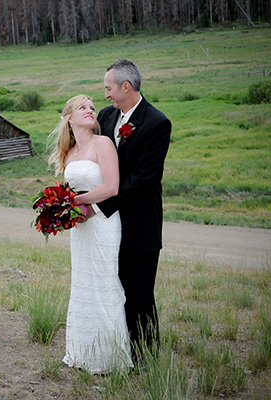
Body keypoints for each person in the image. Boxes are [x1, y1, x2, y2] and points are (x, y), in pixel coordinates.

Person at [85, 59, 172, 357]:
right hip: (109, 227)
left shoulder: (157, 123)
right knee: (115, 289)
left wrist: (96, 206)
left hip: (140, 223)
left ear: (125, 86)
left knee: (140, 293)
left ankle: (146, 357)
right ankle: (119, 352)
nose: (106, 95)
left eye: (108, 88)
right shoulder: (107, 116)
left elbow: (142, 179)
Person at [48, 94, 133, 374]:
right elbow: (68, 191)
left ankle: (112, 358)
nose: (90, 110)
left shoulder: (103, 143)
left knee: (104, 280)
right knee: (83, 283)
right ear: (69, 118)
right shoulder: (69, 153)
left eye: (92, 107)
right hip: (81, 229)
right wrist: (60, 210)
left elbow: (112, 187)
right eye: (82, 107)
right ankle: (84, 351)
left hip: (103, 223)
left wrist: (78, 203)